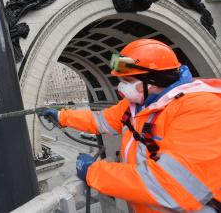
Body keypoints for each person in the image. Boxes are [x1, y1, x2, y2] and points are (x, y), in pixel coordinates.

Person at [41, 39, 221, 213]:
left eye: (127, 81)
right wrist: (62, 116)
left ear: (152, 81)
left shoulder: (201, 109)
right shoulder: (137, 104)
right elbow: (101, 120)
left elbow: (173, 186)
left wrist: (93, 172)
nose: (121, 87)